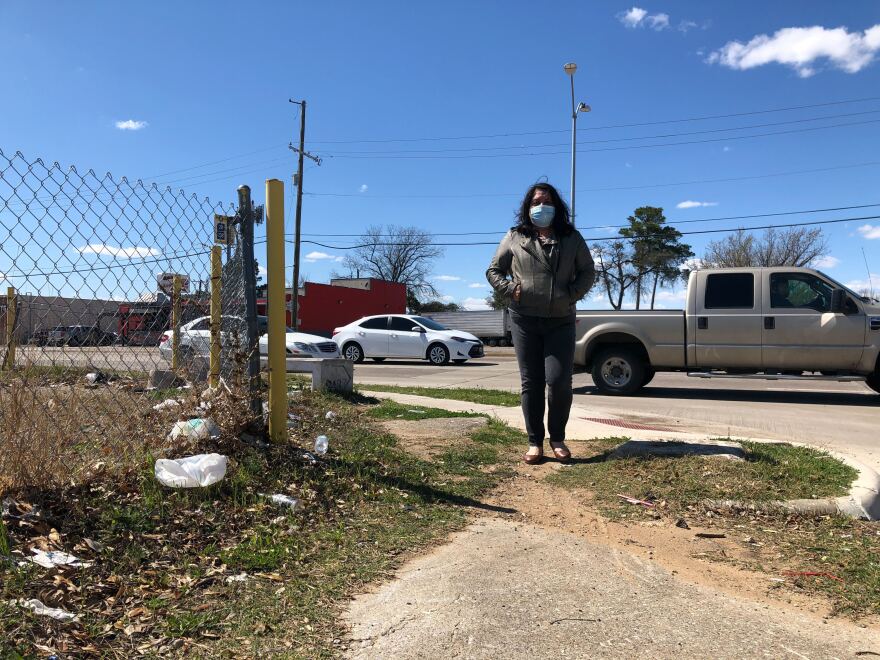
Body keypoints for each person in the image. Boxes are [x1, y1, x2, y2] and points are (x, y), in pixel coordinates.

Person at [486, 182, 595, 464]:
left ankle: (557, 437)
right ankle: (535, 442)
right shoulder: (515, 236)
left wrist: (571, 294)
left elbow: (588, 271)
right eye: (536, 202)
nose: (541, 206)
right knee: (531, 382)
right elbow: (493, 270)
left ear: (556, 206)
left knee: (559, 382)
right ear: (528, 207)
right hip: (524, 319)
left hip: (561, 320)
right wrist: (511, 289)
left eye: (546, 201)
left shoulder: (571, 237)